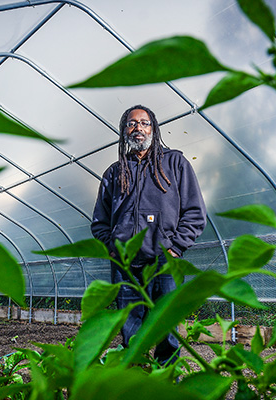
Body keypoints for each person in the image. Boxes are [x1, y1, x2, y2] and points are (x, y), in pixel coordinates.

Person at [91, 104, 207, 365]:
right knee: (130, 329)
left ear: (153, 128)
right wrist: (113, 248)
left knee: (166, 329)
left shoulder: (174, 163)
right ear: (124, 131)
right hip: (125, 264)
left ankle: (167, 383)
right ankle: (136, 379)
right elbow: (99, 221)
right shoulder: (114, 172)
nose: (138, 127)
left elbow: (195, 212)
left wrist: (175, 248)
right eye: (132, 123)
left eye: (144, 123)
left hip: (164, 260)